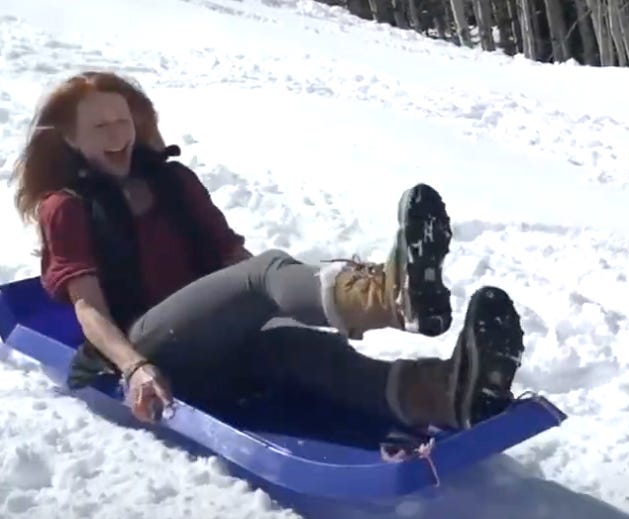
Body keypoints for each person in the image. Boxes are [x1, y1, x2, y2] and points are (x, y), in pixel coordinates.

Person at [9, 70, 525, 432]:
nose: (117, 134)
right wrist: (134, 367)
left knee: (304, 346)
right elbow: (89, 310)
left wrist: (287, 305)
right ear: (72, 141)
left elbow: (232, 259)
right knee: (266, 272)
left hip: (213, 340)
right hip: (151, 348)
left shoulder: (173, 181)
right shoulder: (67, 207)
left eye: (122, 121)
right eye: (100, 127)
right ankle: (390, 297)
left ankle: (444, 394)